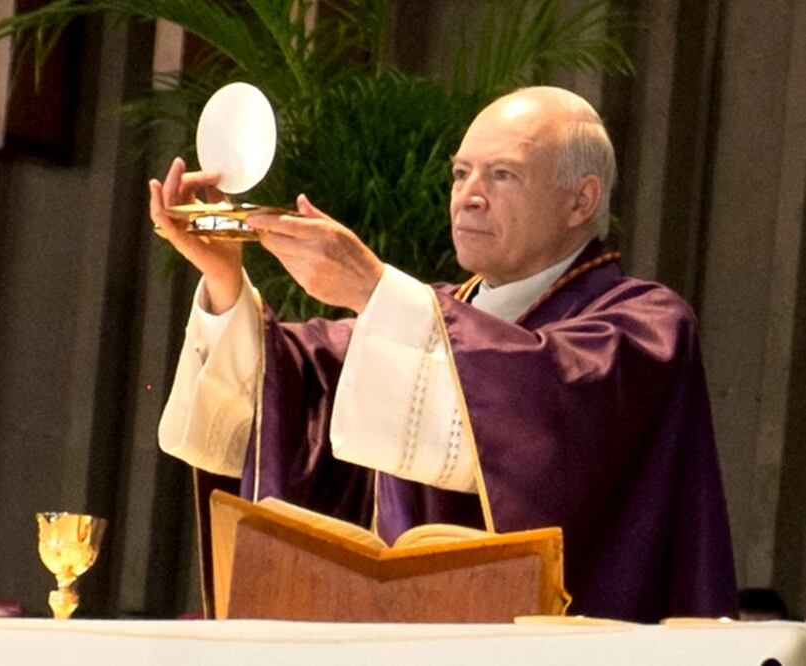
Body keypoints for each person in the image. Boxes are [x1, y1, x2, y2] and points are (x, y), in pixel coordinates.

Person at [150, 86, 737, 623]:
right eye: (460, 173)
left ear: (581, 200)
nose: (469, 197)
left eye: (502, 175)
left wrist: (371, 290)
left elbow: (542, 415)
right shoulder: (427, 314)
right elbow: (289, 387)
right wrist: (224, 279)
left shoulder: (646, 326)